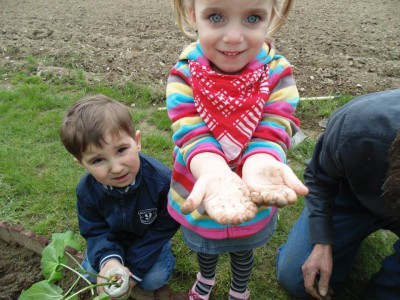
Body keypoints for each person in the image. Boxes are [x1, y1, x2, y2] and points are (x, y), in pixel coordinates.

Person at [166, 1, 308, 299]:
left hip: (254, 190)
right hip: (202, 185)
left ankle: (239, 287)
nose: (233, 36)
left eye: (252, 18)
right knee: (206, 248)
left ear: (272, 17)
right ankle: (206, 277)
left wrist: (259, 160)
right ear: (193, 15)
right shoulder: (184, 75)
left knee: (243, 250)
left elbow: (274, 124)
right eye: (216, 17)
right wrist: (215, 172)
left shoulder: (278, 74)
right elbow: (191, 131)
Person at [276, 89, 400, 300]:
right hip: (351, 198)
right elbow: (319, 178)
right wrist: (322, 241)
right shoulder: (358, 128)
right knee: (298, 280)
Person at [59, 94, 180, 295]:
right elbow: (95, 231)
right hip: (111, 239)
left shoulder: (162, 182)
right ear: (82, 164)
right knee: (91, 274)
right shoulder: (86, 192)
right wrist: (109, 260)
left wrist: (135, 272)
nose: (116, 168)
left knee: (152, 280)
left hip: (148, 239)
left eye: (121, 150)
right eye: (98, 160)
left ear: (137, 141)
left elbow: (165, 225)